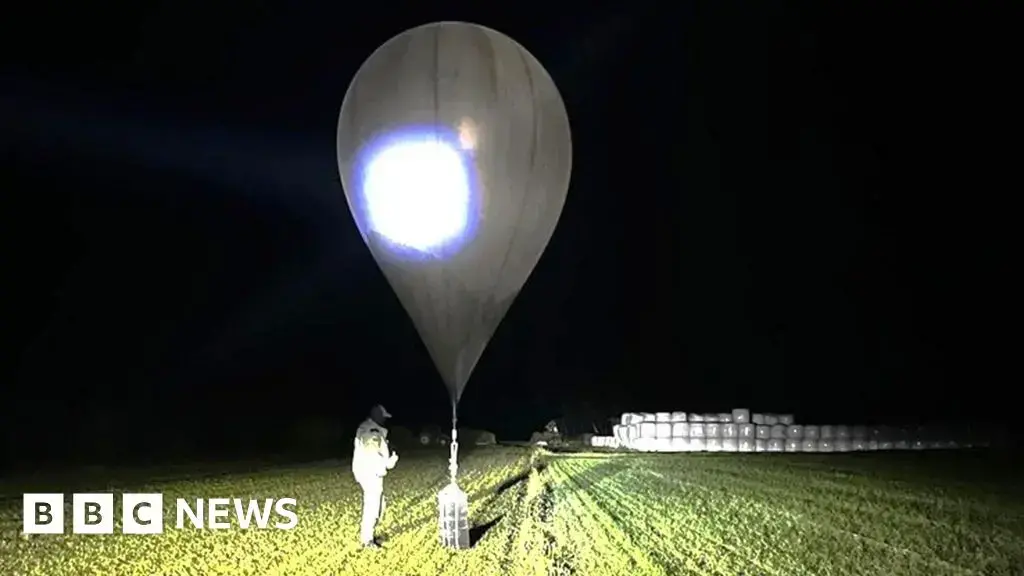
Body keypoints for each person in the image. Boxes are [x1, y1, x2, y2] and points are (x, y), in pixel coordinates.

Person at [352, 404, 399, 548]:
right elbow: (373, 455)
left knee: (378, 506)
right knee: (372, 506)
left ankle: (369, 535)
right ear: (377, 417)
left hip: (368, 472)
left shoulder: (368, 428)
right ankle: (367, 540)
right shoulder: (372, 432)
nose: (385, 420)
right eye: (383, 417)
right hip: (371, 473)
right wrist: (389, 463)